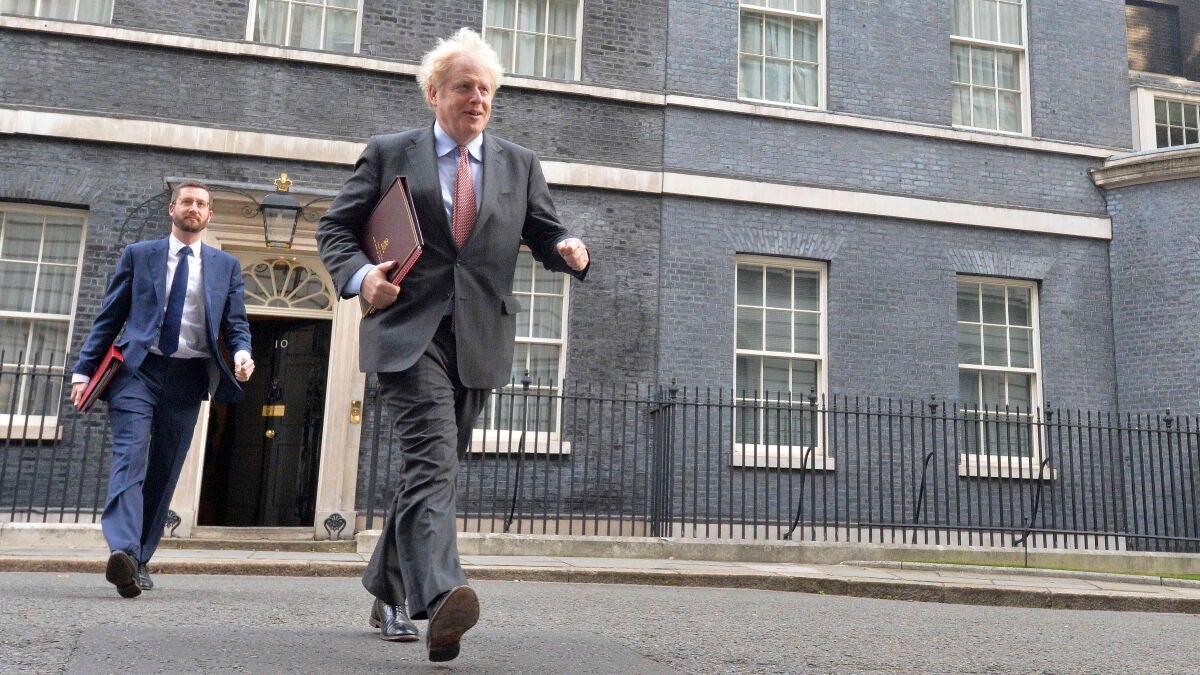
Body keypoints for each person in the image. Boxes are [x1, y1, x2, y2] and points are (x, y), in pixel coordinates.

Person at [316, 28, 590, 663]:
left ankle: (385, 587)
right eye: (465, 87)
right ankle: (442, 597)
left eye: (487, 89)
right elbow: (337, 229)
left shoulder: (518, 163)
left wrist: (567, 249)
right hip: (408, 333)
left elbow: (543, 230)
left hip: (478, 337)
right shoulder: (390, 152)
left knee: (430, 469)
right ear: (434, 93)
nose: (478, 98)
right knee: (434, 461)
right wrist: (362, 278)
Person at [70, 181, 255, 598]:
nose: (194, 208)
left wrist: (243, 354)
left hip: (189, 377)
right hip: (138, 370)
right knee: (130, 456)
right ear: (173, 209)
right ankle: (122, 549)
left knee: (164, 469)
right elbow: (109, 317)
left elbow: (235, 323)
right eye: (187, 201)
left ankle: (139, 559)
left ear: (209, 215)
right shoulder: (140, 255)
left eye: (202, 204)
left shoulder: (225, 266)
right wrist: (83, 372)